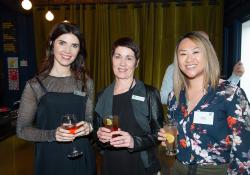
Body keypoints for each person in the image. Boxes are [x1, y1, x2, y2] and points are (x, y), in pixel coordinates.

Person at [158, 31, 250, 175]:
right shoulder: (174, 97)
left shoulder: (230, 94)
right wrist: (168, 138)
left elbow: (244, 152)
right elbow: (176, 132)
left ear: (208, 55)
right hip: (178, 169)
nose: (189, 59)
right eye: (183, 54)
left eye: (196, 52)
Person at [16, 22, 96, 175]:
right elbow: (22, 129)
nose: (68, 51)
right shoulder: (35, 85)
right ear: (52, 44)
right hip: (50, 158)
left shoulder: (86, 82)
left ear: (79, 50)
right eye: (62, 43)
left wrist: (89, 127)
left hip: (82, 156)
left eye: (74, 45)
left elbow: (89, 119)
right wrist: (53, 134)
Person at [94, 37, 164, 175]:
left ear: (136, 63)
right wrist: (100, 137)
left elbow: (159, 134)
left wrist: (134, 142)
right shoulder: (102, 95)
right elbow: (97, 134)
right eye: (118, 56)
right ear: (112, 59)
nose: (122, 63)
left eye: (129, 58)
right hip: (110, 165)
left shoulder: (149, 93)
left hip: (141, 166)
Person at [160, 32, 245, 104]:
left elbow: (222, 93)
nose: (190, 59)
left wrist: (235, 77)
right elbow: (163, 97)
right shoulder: (174, 68)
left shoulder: (210, 68)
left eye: (206, 43)